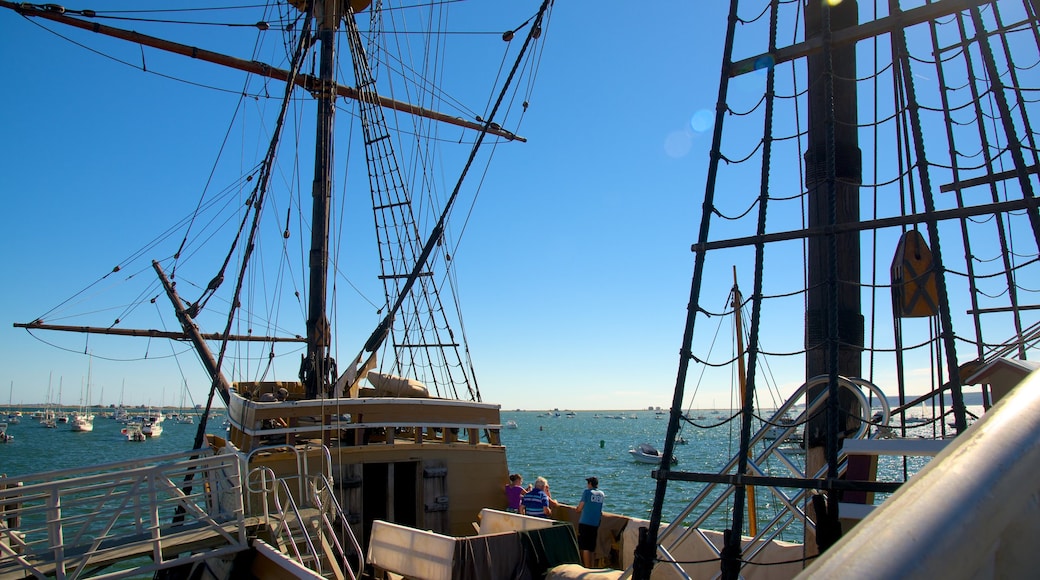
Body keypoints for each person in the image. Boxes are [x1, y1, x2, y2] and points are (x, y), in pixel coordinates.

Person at [575, 476, 605, 568]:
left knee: (585, 547)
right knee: (592, 547)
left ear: (590, 484)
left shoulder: (587, 492)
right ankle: (591, 567)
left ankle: (586, 568)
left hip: (585, 522)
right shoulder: (601, 494)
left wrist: (577, 509)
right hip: (595, 523)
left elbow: (580, 507)